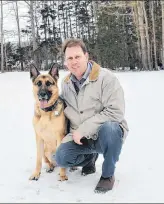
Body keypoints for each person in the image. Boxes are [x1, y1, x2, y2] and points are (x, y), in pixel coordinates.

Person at [55, 38, 129, 194]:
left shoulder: (106, 78)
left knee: (110, 129)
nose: (74, 62)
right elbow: (65, 106)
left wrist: (83, 130)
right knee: (60, 157)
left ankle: (108, 175)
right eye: (70, 58)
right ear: (65, 62)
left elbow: (115, 112)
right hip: (81, 138)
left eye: (77, 57)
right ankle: (89, 158)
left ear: (86, 56)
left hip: (105, 134)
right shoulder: (66, 83)